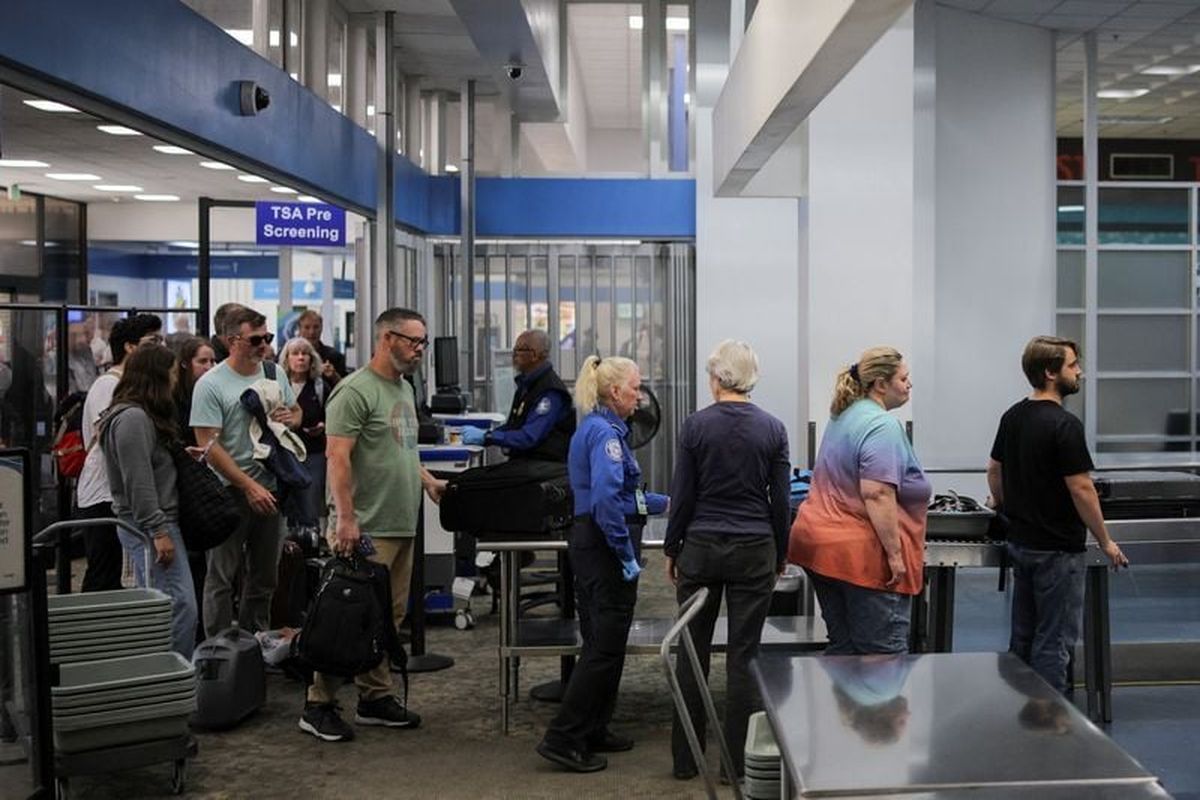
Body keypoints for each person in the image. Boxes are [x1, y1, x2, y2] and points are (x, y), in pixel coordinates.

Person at [300, 307, 446, 742]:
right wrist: (346, 518)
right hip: (365, 526)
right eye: (413, 342)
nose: (420, 351)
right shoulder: (354, 392)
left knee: (388, 618)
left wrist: (428, 482)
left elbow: (402, 449)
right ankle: (317, 703)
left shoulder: (402, 388)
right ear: (387, 339)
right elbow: (337, 457)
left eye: (423, 343)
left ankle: (374, 697)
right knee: (346, 618)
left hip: (401, 521)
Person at [664, 340, 791, 781]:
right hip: (755, 549)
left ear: (717, 377)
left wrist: (672, 546)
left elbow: (683, 494)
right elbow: (780, 503)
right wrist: (780, 552)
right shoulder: (773, 429)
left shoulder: (695, 426)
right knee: (743, 655)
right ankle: (736, 766)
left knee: (691, 652)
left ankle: (685, 761)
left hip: (701, 548)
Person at [536, 355, 668, 773]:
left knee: (603, 646)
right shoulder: (606, 436)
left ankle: (594, 727)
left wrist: (661, 503)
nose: (639, 396)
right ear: (615, 392)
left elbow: (622, 497)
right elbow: (607, 503)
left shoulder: (600, 429)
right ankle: (564, 736)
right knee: (604, 650)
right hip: (604, 550)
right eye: (635, 388)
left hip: (594, 546)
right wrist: (625, 554)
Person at [986, 336, 1127, 694]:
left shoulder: (1013, 416)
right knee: (1055, 641)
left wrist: (1004, 506)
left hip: (1022, 543)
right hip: (1058, 551)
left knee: (1023, 636)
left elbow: (994, 471)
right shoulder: (1064, 425)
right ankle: (1049, 727)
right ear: (1050, 372)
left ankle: (1019, 712)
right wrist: (1105, 541)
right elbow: (1081, 489)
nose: (1079, 371)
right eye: (1072, 365)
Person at [788, 347, 931, 655]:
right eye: (903, 379)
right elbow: (877, 493)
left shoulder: (844, 416)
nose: (909, 385)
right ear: (880, 384)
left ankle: (842, 705)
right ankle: (877, 707)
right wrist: (895, 555)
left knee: (846, 650)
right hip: (861, 555)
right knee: (882, 657)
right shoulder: (881, 426)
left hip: (822, 547)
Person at [190, 306, 300, 637]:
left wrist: (290, 418)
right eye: (256, 339)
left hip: (272, 486)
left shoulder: (272, 372)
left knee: (265, 576)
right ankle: (220, 649)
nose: (263, 344)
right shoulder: (211, 385)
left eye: (267, 337)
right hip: (228, 492)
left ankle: (256, 642)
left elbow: (296, 411)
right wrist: (248, 486)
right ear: (231, 340)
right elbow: (209, 445)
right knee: (221, 576)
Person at [98, 344, 197, 657]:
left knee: (169, 603)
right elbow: (137, 482)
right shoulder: (133, 419)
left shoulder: (139, 417)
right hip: (151, 525)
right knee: (177, 606)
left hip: (153, 522)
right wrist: (158, 531)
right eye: (170, 372)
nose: (175, 380)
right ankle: (172, 675)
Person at [75, 314, 165, 592]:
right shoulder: (109, 385)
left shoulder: (134, 385)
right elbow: (110, 439)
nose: (159, 346)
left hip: (122, 491)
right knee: (103, 571)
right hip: (103, 492)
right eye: (152, 341)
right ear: (129, 347)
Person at [461, 329, 575, 459]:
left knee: (472, 478)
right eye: (515, 349)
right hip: (526, 462)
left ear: (534, 355)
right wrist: (487, 435)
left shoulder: (550, 392)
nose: (514, 354)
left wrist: (489, 437)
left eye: (520, 350)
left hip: (543, 465)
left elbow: (529, 437)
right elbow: (514, 426)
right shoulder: (527, 385)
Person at [172, 335, 217, 638]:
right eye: (203, 361)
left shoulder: (209, 393)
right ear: (186, 363)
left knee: (205, 565)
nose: (210, 367)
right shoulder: (175, 399)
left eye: (213, 361)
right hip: (181, 490)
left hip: (205, 487)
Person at [277, 336, 331, 538]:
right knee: (287, 504)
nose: (301, 358)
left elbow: (331, 415)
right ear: (287, 359)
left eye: (305, 353)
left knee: (310, 503)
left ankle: (312, 544)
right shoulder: (278, 386)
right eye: (295, 353)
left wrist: (322, 426)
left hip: (313, 452)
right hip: (285, 454)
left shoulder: (319, 387)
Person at [297, 309, 347, 385]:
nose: (312, 332)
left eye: (316, 327)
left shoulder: (335, 357)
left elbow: (346, 388)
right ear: (300, 329)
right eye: (307, 327)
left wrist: (334, 376)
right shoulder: (287, 355)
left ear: (321, 328)